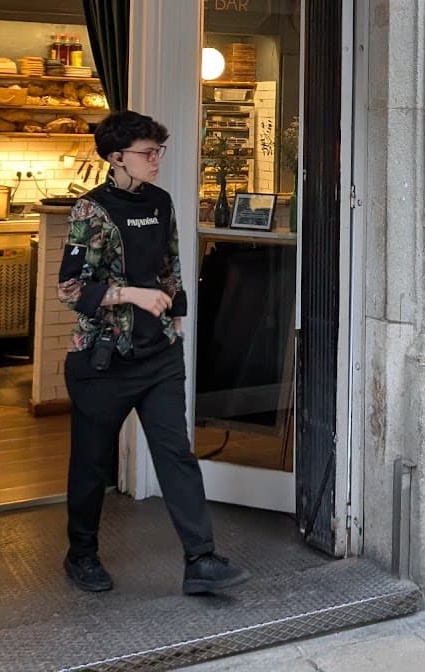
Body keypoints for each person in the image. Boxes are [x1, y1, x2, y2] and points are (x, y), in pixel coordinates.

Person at [57, 109, 250, 596]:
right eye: (147, 153)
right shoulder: (90, 210)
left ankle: (201, 560)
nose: (156, 159)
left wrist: (176, 313)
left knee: (176, 455)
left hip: (159, 355)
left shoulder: (161, 202)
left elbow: (170, 262)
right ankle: (81, 555)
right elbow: (70, 288)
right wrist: (131, 295)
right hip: (103, 360)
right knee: (91, 462)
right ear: (116, 158)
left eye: (159, 151)